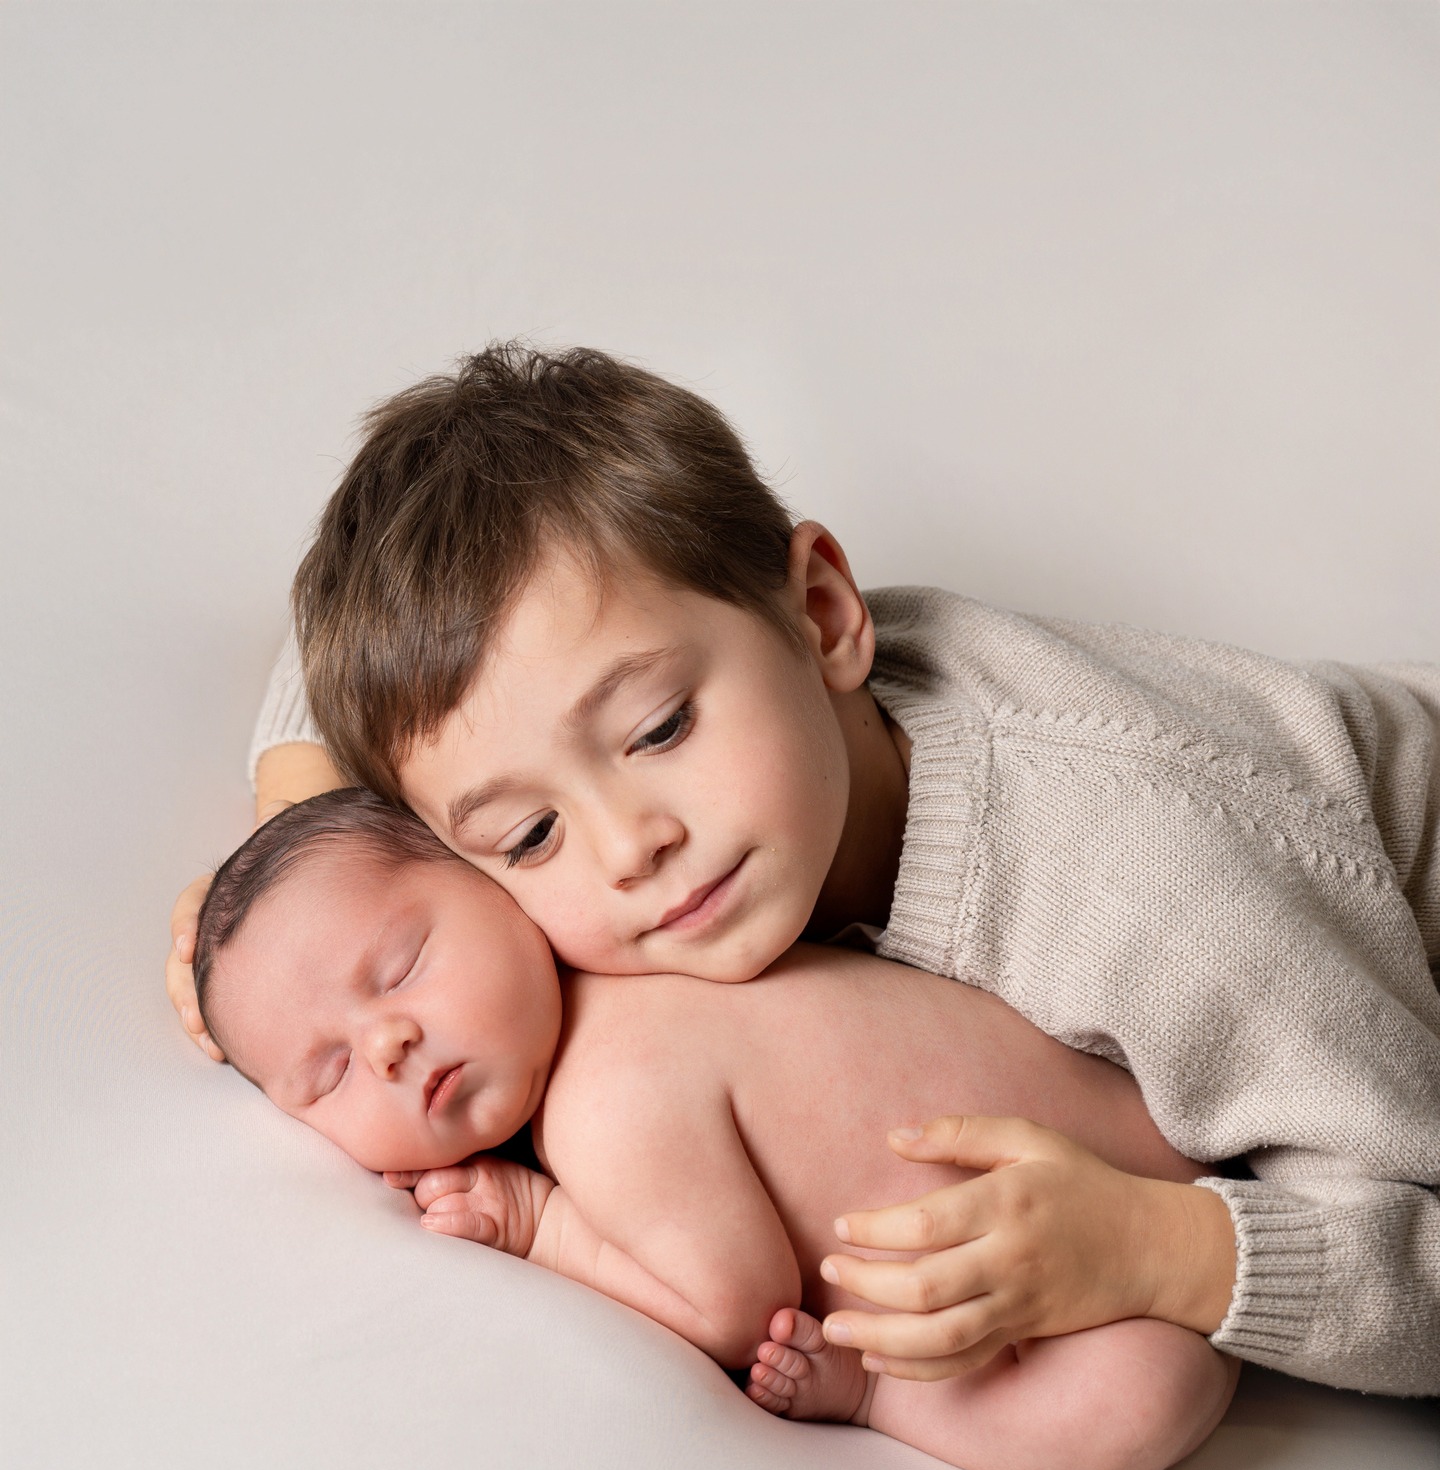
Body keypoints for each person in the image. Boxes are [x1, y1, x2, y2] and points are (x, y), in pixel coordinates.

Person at [169, 343, 1440, 1396]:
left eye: (661, 730)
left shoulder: (1139, 890)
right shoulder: (619, 774)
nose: (629, 847)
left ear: (824, 616)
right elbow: (343, 664)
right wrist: (299, 848)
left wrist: (1167, 1250)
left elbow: (1416, 1223)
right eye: (527, 838)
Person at [193, 788, 1237, 1470]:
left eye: (404, 961)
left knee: (1146, 1400)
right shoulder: (656, 935)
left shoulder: (605, 1098)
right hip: (1156, 1115)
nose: (387, 1043)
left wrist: (540, 1224)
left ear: (492, 877)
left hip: (1113, 1257)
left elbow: (735, 1307)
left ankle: (876, 1397)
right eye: (326, 1075)